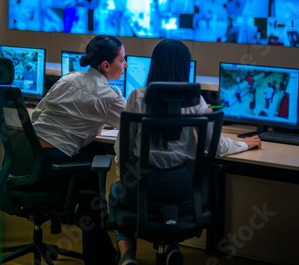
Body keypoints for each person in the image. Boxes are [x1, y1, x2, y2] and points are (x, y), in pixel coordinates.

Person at [109, 39, 261, 265]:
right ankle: (171, 246)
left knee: (114, 191)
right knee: (172, 202)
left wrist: (123, 173)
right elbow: (217, 147)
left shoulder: (137, 97)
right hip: (183, 191)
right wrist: (246, 143)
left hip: (142, 187)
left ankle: (127, 254)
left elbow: (123, 147)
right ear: (184, 66)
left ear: (155, 64)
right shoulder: (195, 101)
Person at [31, 34, 128, 265]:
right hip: (52, 169)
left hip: (28, 160)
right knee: (92, 185)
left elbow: (36, 115)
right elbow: (135, 124)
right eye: (122, 60)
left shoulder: (68, 78)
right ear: (106, 65)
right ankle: (100, 256)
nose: (125, 65)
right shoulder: (108, 96)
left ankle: (101, 253)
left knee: (94, 152)